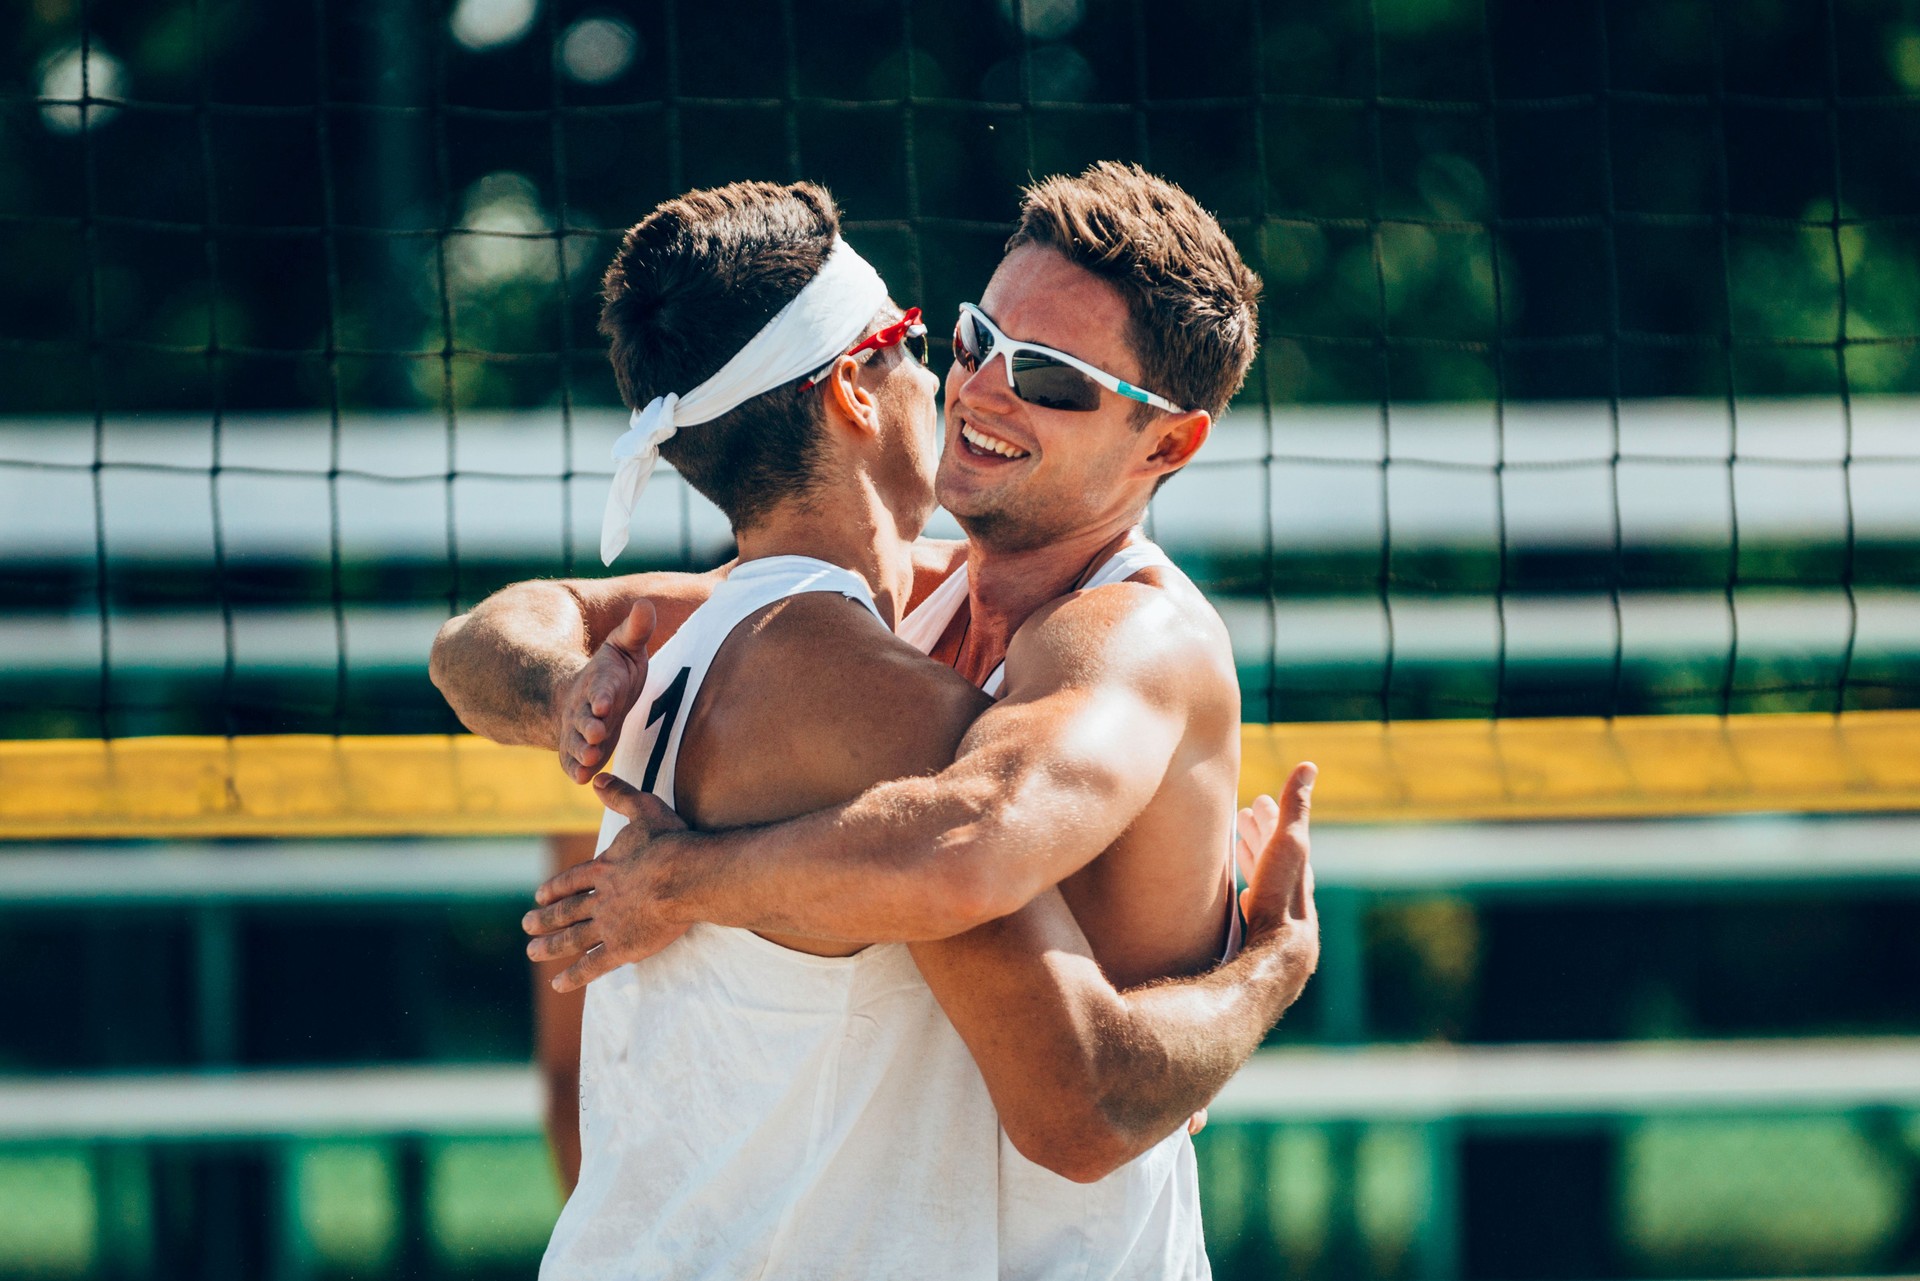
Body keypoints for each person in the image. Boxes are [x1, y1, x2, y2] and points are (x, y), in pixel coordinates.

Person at [432, 170, 1318, 1278]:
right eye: (973, 336)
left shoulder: (1139, 642)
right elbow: (483, 636)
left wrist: (1277, 967)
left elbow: (971, 856)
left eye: (1049, 377)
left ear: (1167, 447)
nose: (982, 389)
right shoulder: (896, 609)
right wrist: (566, 690)